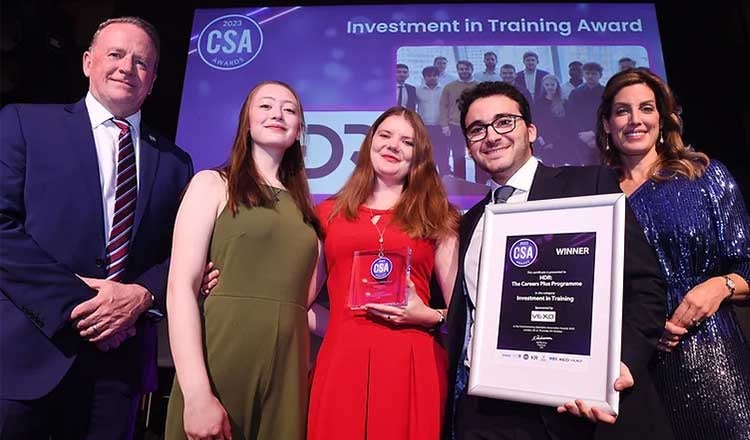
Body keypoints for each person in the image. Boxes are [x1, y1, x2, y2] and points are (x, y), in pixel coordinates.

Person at [444, 81, 672, 440]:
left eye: (504, 122)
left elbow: (645, 286)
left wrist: (620, 363)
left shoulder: (588, 185)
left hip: (574, 408)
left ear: (530, 130)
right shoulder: (470, 221)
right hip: (486, 410)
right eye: (477, 129)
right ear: (469, 147)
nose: (491, 136)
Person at [0, 16, 193, 439]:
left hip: (117, 371)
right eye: (116, 54)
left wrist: (140, 296)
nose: (128, 67)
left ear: (153, 79)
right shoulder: (23, 125)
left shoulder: (178, 164)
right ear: (88, 62)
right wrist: (81, 302)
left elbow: (181, 253)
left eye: (141, 61)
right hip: (27, 357)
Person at [596, 67, 750, 439]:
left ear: (662, 119)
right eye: (622, 111)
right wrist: (638, 330)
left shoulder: (705, 176)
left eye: (646, 108)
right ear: (606, 124)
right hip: (631, 366)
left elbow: (746, 262)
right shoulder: (596, 195)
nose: (635, 120)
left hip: (710, 356)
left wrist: (719, 286)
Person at [163, 81, 321, 440]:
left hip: (288, 368)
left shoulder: (308, 213)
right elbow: (180, 289)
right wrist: (198, 393)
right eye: (265, 106)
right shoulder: (211, 184)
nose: (277, 114)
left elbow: (306, 298)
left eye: (289, 109)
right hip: (223, 352)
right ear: (246, 123)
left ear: (298, 131)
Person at [307, 106, 460, 439]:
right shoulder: (326, 214)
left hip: (413, 362)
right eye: (386, 136)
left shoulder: (438, 216)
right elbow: (298, 304)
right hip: (342, 360)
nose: (393, 146)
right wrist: (342, 326)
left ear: (418, 156)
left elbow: (462, 314)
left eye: (407, 142)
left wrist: (428, 315)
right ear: (369, 143)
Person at [439, 60, 477, 179]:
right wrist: (444, 125)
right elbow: (443, 106)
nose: (464, 71)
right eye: (461, 69)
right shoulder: (449, 87)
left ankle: (481, 182)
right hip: (455, 126)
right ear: (458, 70)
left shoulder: (480, 86)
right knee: (458, 155)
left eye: (466, 69)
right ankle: (460, 180)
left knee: (478, 153)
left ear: (472, 69)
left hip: (475, 125)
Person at [567, 62, 605, 165]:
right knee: (586, 170)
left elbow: (607, 115)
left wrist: (594, 133)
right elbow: (571, 116)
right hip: (581, 137)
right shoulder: (575, 93)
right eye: (587, 73)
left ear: (600, 75)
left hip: (602, 137)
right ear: (583, 74)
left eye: (594, 74)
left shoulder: (606, 93)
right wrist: (582, 134)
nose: (590, 76)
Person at [532, 74, 570, 165]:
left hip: (561, 141)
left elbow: (567, 124)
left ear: (557, 86)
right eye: (547, 85)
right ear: (543, 86)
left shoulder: (564, 102)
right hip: (544, 140)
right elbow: (536, 122)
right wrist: (542, 140)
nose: (550, 87)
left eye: (552, 85)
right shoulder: (538, 102)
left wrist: (556, 141)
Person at [416, 66, 445, 172]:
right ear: (424, 77)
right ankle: (426, 175)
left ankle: (444, 176)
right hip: (424, 127)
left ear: (438, 76)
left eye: (434, 75)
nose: (432, 78)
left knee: (443, 154)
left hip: (440, 126)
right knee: (425, 153)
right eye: (429, 76)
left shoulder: (444, 90)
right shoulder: (417, 90)